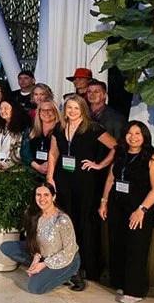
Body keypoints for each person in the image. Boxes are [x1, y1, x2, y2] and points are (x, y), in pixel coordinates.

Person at [46, 96, 116, 288]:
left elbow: (116, 147)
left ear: (83, 109)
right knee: (65, 221)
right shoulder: (59, 128)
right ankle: (65, 265)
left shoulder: (93, 128)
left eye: (76, 108)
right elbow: (53, 153)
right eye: (69, 107)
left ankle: (87, 268)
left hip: (85, 181)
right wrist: (50, 177)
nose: (72, 111)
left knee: (85, 222)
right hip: (63, 180)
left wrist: (99, 164)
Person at [101, 120, 154, 303]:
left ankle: (134, 291)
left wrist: (142, 210)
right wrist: (104, 202)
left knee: (135, 248)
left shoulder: (152, 158)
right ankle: (121, 283)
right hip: (117, 206)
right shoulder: (121, 153)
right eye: (129, 133)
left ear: (144, 136)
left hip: (139, 209)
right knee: (117, 244)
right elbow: (111, 179)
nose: (133, 137)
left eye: (138, 133)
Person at [0, 184, 82, 295]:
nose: (42, 199)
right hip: (43, 254)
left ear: (53, 197)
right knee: (7, 247)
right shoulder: (35, 215)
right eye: (38, 195)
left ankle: (71, 274)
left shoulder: (62, 219)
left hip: (66, 259)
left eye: (46, 195)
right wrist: (36, 258)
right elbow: (35, 241)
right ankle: (42, 271)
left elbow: (69, 251)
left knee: (34, 288)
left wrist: (43, 265)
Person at [24, 100, 60, 178]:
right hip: (33, 173)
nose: (46, 113)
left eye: (50, 110)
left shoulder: (61, 131)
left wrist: (50, 164)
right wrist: (38, 167)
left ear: (56, 112)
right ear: (39, 112)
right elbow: (24, 152)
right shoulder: (31, 130)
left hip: (56, 173)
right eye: (43, 110)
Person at [0, 101, 24, 169]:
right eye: (0, 108)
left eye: (6, 108)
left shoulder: (22, 129)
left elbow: (20, 151)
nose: (2, 111)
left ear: (14, 110)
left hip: (14, 169)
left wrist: (5, 165)